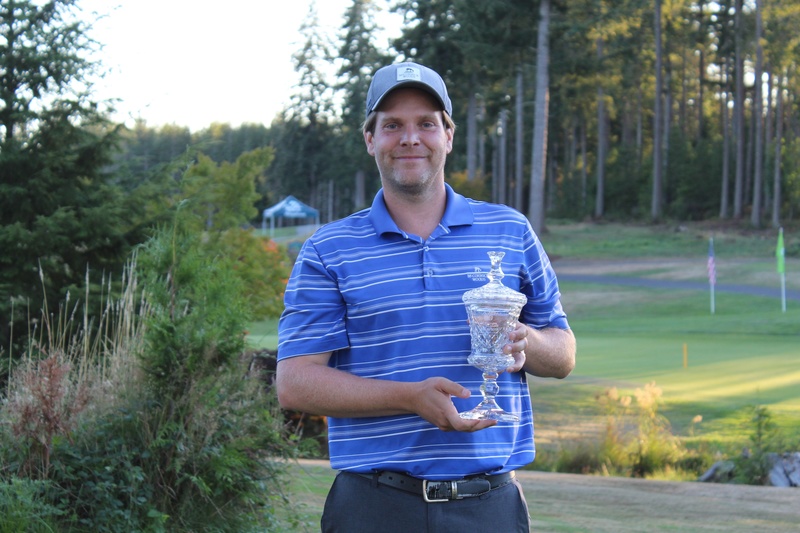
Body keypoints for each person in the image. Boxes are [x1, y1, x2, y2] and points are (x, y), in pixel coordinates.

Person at [276, 61, 576, 533]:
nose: (410, 138)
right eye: (392, 125)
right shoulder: (328, 249)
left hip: (489, 504)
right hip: (373, 506)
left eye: (426, 124)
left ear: (448, 136)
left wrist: (527, 343)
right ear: (370, 140)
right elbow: (295, 383)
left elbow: (563, 354)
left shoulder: (510, 230)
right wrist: (409, 398)